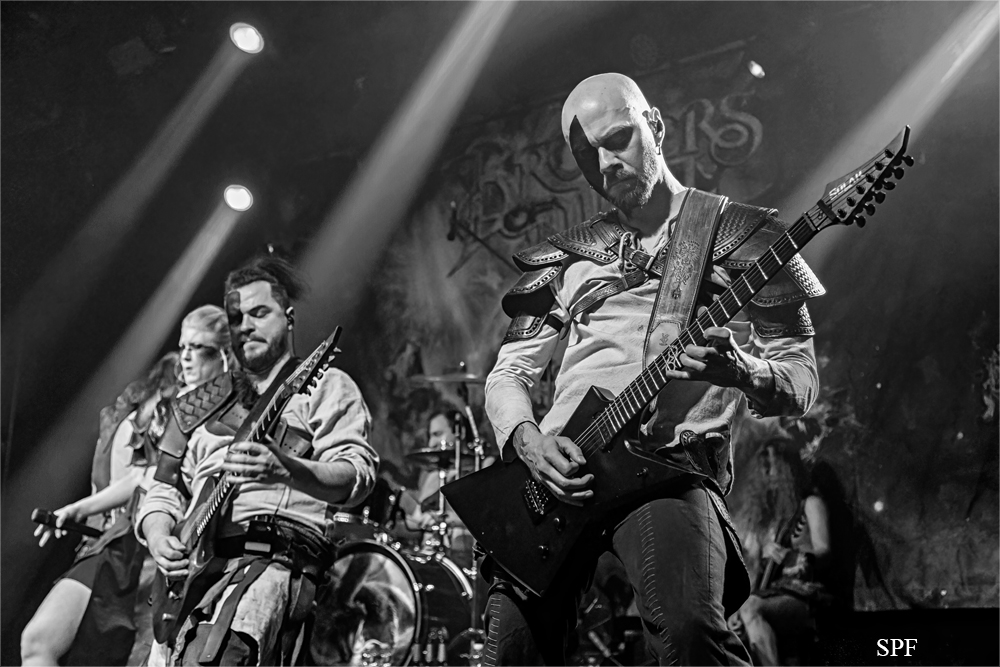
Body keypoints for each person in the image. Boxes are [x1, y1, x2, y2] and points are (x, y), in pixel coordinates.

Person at [480, 73, 824, 665]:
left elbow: (802, 379)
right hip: (560, 473)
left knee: (688, 632)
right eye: (587, 154)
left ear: (656, 126)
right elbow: (508, 375)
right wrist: (529, 442)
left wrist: (744, 371)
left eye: (618, 139)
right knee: (510, 650)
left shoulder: (744, 233)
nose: (605, 164)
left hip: (668, 468)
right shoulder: (567, 255)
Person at [138, 256, 379, 666]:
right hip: (188, 584)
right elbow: (163, 487)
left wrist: (286, 469)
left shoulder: (326, 386)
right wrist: (159, 535)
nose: (245, 326)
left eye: (259, 313)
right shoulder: (199, 404)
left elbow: (356, 475)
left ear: (288, 318)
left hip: (269, 564)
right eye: (236, 318)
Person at [21, 305, 233, 666]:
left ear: (225, 354)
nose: (185, 357)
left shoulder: (234, 408)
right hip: (130, 542)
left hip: (185, 554)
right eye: (183, 347)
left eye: (197, 348)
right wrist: (77, 509)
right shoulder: (176, 410)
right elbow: (142, 477)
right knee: (39, 641)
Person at [732, 441, 831, 665]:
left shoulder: (810, 504)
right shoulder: (769, 517)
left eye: (773, 466)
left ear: (788, 468)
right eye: (764, 468)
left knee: (751, 609)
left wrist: (795, 557)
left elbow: (825, 551)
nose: (768, 474)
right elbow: (753, 574)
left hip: (805, 596)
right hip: (769, 594)